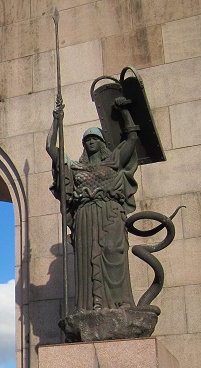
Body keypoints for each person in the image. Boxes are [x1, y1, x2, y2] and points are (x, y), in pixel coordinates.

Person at [46, 96, 140, 311]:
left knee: (114, 253)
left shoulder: (114, 160)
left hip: (110, 213)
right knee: (88, 260)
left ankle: (120, 303)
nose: (90, 142)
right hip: (86, 216)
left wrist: (124, 110)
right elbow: (51, 148)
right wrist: (56, 120)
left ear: (102, 142)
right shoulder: (76, 167)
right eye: (87, 139)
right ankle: (92, 305)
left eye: (94, 138)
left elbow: (132, 138)